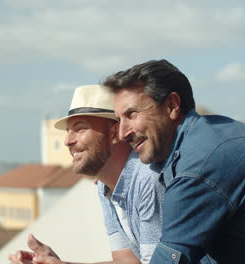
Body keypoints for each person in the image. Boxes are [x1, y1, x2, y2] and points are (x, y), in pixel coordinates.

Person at [102, 59, 245, 264]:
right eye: (119, 120)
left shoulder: (199, 166)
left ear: (172, 105)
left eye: (132, 114)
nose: (122, 133)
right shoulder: (203, 137)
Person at [9, 84, 166, 264]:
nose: (67, 141)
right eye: (68, 131)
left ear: (115, 132)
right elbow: (126, 260)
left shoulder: (148, 178)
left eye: (80, 129)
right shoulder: (105, 185)